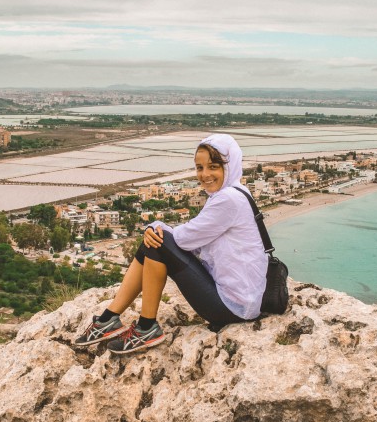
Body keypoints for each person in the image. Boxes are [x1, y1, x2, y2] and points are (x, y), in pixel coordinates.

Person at [74, 133, 268, 354]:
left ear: (230, 165)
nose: (204, 174)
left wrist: (154, 226)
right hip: (239, 300)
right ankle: (109, 318)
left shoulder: (228, 200)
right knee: (155, 239)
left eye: (213, 166)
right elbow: (194, 242)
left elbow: (183, 240)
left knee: (158, 240)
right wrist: (155, 231)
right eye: (199, 167)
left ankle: (144, 326)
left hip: (232, 307)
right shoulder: (237, 193)